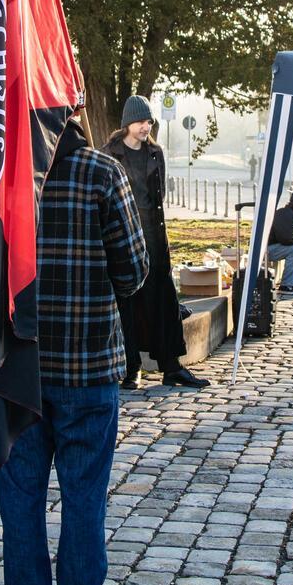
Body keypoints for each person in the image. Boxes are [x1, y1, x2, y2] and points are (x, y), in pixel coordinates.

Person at [0, 108, 149, 585]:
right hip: (85, 364)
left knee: (20, 496)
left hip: (14, 365)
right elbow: (133, 271)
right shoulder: (102, 173)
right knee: (84, 493)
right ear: (73, 114)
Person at [104, 96, 208, 391]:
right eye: (140, 122)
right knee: (128, 305)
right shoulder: (110, 153)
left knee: (163, 302)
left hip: (153, 238)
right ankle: (131, 367)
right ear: (127, 123)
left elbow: (157, 198)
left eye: (149, 122)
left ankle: (171, 367)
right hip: (123, 239)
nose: (145, 127)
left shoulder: (154, 153)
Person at [266, 201, 293, 295]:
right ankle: (286, 285)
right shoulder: (286, 214)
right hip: (265, 249)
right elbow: (286, 238)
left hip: (273, 246)